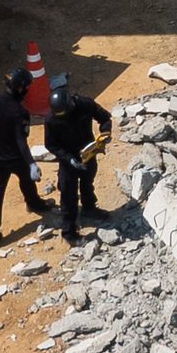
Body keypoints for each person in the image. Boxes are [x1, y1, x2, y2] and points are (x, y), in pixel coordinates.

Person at [0, 66, 47, 249]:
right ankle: (34, 204)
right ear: (20, 88)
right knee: (27, 179)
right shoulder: (20, 113)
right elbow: (21, 141)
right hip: (15, 158)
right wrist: (32, 163)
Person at [44, 78, 113, 244]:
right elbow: (51, 145)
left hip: (88, 153)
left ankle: (89, 208)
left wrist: (105, 134)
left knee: (87, 183)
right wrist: (69, 159)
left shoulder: (85, 104)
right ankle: (69, 233)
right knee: (68, 195)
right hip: (68, 161)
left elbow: (105, 118)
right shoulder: (51, 120)